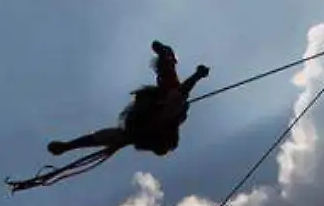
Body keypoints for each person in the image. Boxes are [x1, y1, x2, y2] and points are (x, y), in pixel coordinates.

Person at [44, 41, 210, 159]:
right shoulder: (167, 117)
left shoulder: (135, 135)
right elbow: (180, 93)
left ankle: (167, 57)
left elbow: (101, 138)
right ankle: (167, 57)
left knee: (170, 89)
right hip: (162, 103)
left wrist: (68, 146)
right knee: (171, 88)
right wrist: (197, 76)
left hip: (152, 109)